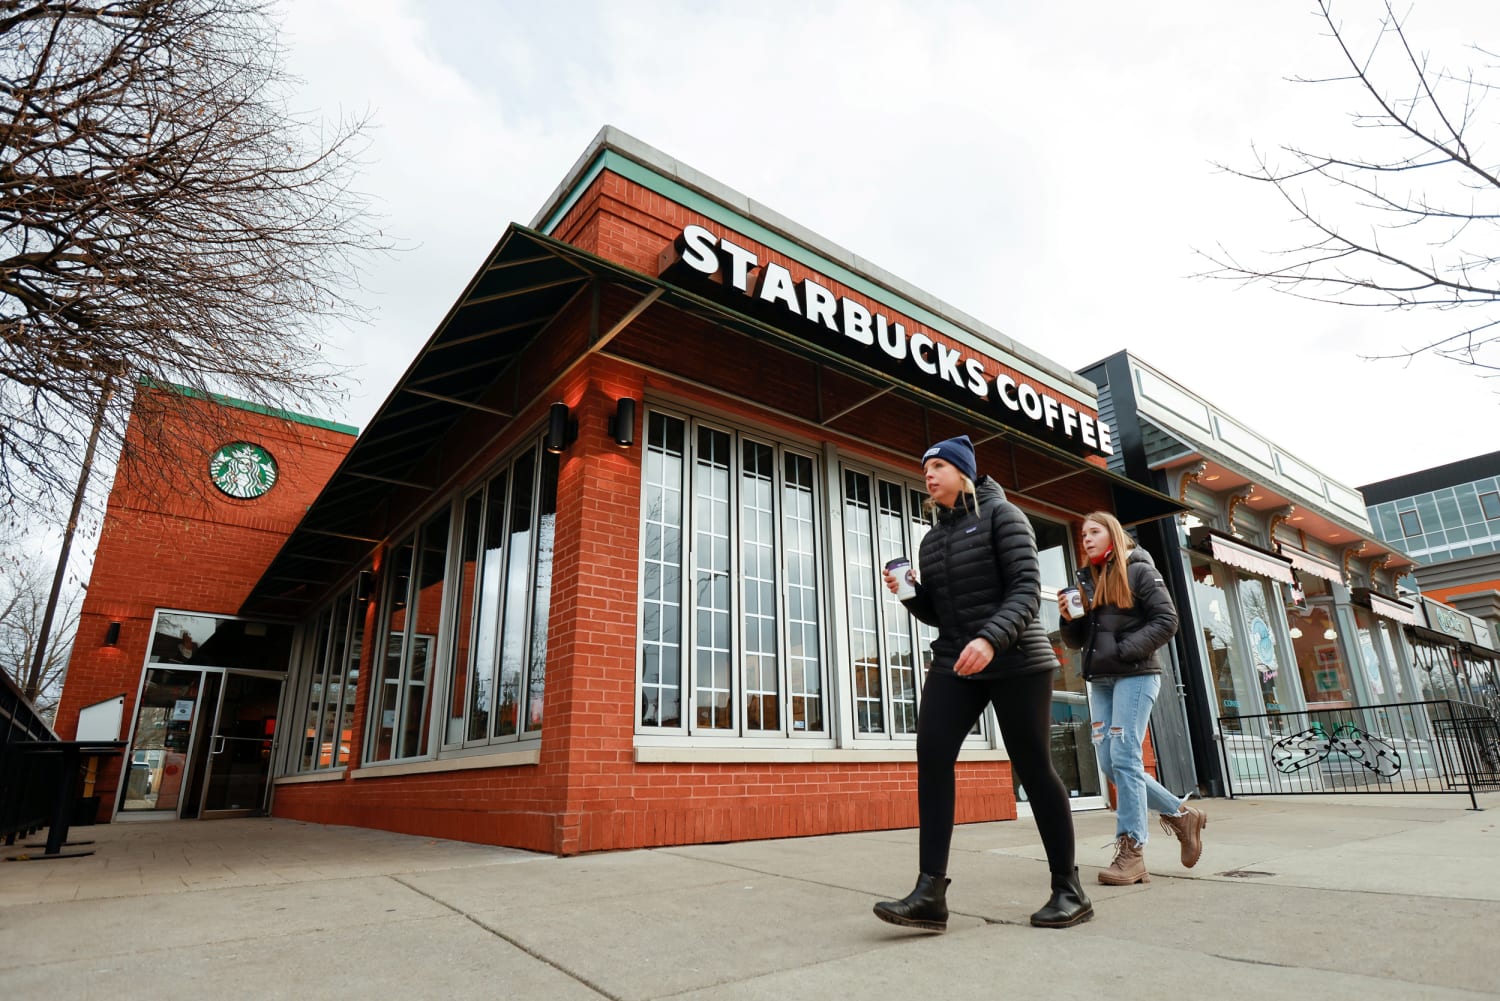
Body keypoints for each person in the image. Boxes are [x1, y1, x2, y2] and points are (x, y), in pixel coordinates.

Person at [873, 435, 1092, 931]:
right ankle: (931, 891)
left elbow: (1025, 592)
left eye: (937, 466)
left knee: (1033, 766)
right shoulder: (932, 540)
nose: (927, 474)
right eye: (924, 467)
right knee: (932, 754)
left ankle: (1069, 889)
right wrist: (911, 595)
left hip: (1016, 658)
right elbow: (942, 614)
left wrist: (991, 640)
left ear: (963, 470)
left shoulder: (1004, 516)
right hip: (958, 658)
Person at [1058, 511, 1207, 885]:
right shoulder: (1087, 580)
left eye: (1094, 532)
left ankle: (1132, 851)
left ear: (1113, 535)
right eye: (1083, 534)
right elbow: (1078, 641)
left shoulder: (1139, 569)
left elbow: (1167, 619)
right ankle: (1180, 814)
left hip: (1136, 676)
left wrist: (1126, 650)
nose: (1086, 538)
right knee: (1111, 764)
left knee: (1125, 756)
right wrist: (1069, 620)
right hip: (1102, 680)